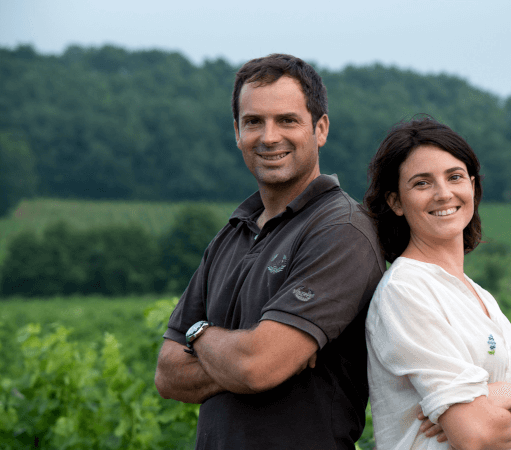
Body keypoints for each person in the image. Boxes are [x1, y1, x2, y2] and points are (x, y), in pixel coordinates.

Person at [154, 54, 385, 449]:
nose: (269, 136)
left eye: (287, 120)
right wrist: (247, 354)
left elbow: (258, 367)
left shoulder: (340, 230)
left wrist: (203, 338)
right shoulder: (231, 235)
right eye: (253, 122)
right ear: (237, 132)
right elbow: (168, 374)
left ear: (321, 128)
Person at [363, 117, 511, 450]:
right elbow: (476, 435)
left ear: (472, 186)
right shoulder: (405, 291)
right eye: (422, 183)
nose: (444, 194)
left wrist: (504, 395)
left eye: (455, 177)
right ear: (396, 201)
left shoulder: (479, 295)